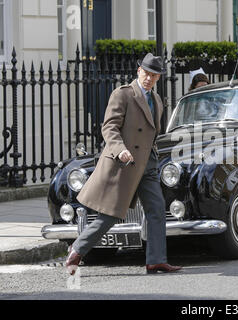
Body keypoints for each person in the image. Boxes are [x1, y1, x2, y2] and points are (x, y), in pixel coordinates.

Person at [65, 53, 182, 275]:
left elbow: (152, 133)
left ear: (158, 77)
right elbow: (109, 127)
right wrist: (121, 150)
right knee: (110, 216)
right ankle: (76, 250)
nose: (149, 78)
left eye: (154, 75)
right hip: (124, 164)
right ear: (139, 71)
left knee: (157, 210)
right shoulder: (123, 94)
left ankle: (156, 260)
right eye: (146, 73)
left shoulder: (156, 100)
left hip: (147, 165)